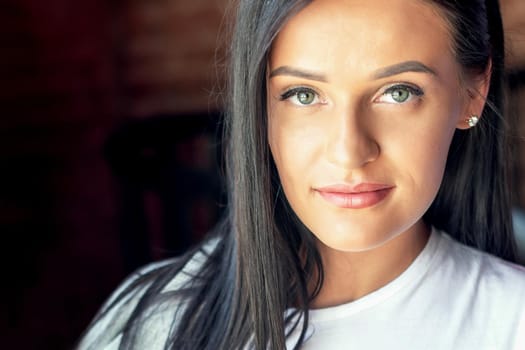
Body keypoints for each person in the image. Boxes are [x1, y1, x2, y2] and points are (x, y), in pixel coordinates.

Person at [77, 0, 525, 349]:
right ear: (260, 104)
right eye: (304, 94)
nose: (349, 152)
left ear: (474, 92)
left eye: (398, 91)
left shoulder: (512, 322)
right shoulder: (152, 321)